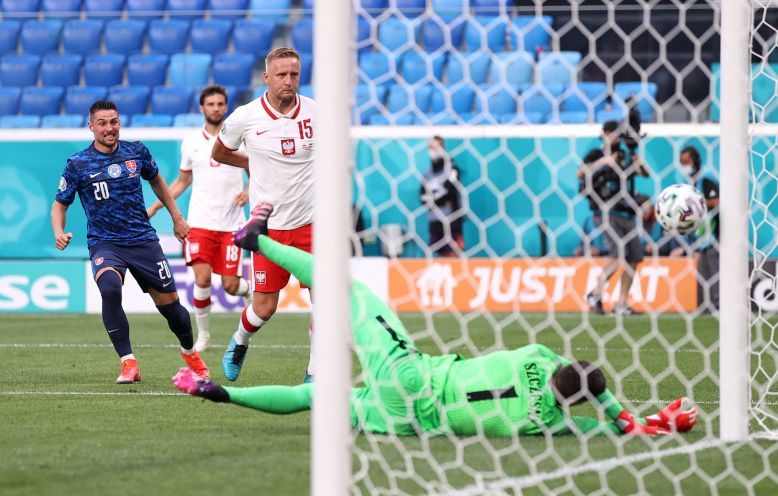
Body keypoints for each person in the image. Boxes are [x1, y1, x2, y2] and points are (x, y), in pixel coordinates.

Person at [173, 202, 698, 437]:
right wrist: (649, 423)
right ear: (574, 401)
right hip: (413, 422)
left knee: (344, 287)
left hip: (415, 371)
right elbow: (609, 429)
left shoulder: (541, 356)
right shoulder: (554, 424)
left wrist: (615, 407)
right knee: (315, 399)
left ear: (567, 364)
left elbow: (584, 381)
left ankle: (256, 240)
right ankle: (221, 393)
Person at [50, 100, 209, 384]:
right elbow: (59, 205)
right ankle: (128, 364)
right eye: (102, 123)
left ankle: (189, 352)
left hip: (143, 240)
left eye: (113, 122)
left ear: (119, 122)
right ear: (91, 127)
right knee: (110, 289)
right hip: (105, 243)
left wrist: (177, 217)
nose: (109, 128)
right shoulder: (78, 164)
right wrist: (58, 231)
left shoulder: (137, 151)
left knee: (173, 309)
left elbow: (158, 181)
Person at [210, 47, 317, 383]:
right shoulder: (245, 117)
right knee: (264, 308)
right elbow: (220, 152)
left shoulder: (317, 113)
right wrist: (251, 163)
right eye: (282, 75)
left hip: (313, 225)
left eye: (294, 74)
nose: (289, 81)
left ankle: (316, 373)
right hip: (269, 229)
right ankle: (239, 342)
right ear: (267, 77)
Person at [147, 85, 250, 352]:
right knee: (202, 279)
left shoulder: (240, 137)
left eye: (220, 104)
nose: (216, 108)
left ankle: (249, 291)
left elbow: (257, 168)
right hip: (200, 222)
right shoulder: (191, 141)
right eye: (211, 104)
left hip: (232, 223)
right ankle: (203, 335)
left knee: (230, 286)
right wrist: (157, 207)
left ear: (226, 107)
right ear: (202, 108)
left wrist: (250, 190)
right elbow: (183, 181)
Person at [578, 112, 651, 316]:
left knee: (634, 258)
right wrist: (604, 162)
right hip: (606, 211)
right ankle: (595, 293)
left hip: (628, 212)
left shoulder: (626, 156)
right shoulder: (596, 154)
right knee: (617, 255)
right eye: (611, 132)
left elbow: (645, 174)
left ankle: (621, 303)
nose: (615, 136)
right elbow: (580, 173)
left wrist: (639, 163)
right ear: (604, 134)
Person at [679, 146, 720, 312]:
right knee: (704, 270)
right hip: (702, 236)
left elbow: (717, 201)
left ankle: (718, 304)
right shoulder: (693, 183)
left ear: (695, 162)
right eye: (682, 163)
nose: (684, 166)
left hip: (715, 234)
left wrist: (697, 201)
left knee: (715, 269)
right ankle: (707, 305)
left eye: (686, 162)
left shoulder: (706, 180)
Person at [419, 136, 464, 257]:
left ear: (442, 147)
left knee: (453, 253)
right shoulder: (427, 173)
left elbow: (451, 192)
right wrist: (438, 199)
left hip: (451, 219)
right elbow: (422, 197)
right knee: (440, 254)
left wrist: (433, 199)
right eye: (430, 147)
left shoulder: (452, 168)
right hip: (434, 219)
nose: (433, 150)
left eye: (436, 147)